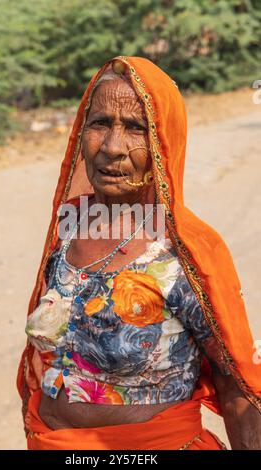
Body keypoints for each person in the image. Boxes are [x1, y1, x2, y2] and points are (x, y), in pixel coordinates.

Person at [17, 56, 261, 450]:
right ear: (81, 133)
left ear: (164, 143)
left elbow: (236, 386)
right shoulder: (68, 226)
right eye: (99, 124)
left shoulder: (185, 252)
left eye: (136, 128)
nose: (113, 148)